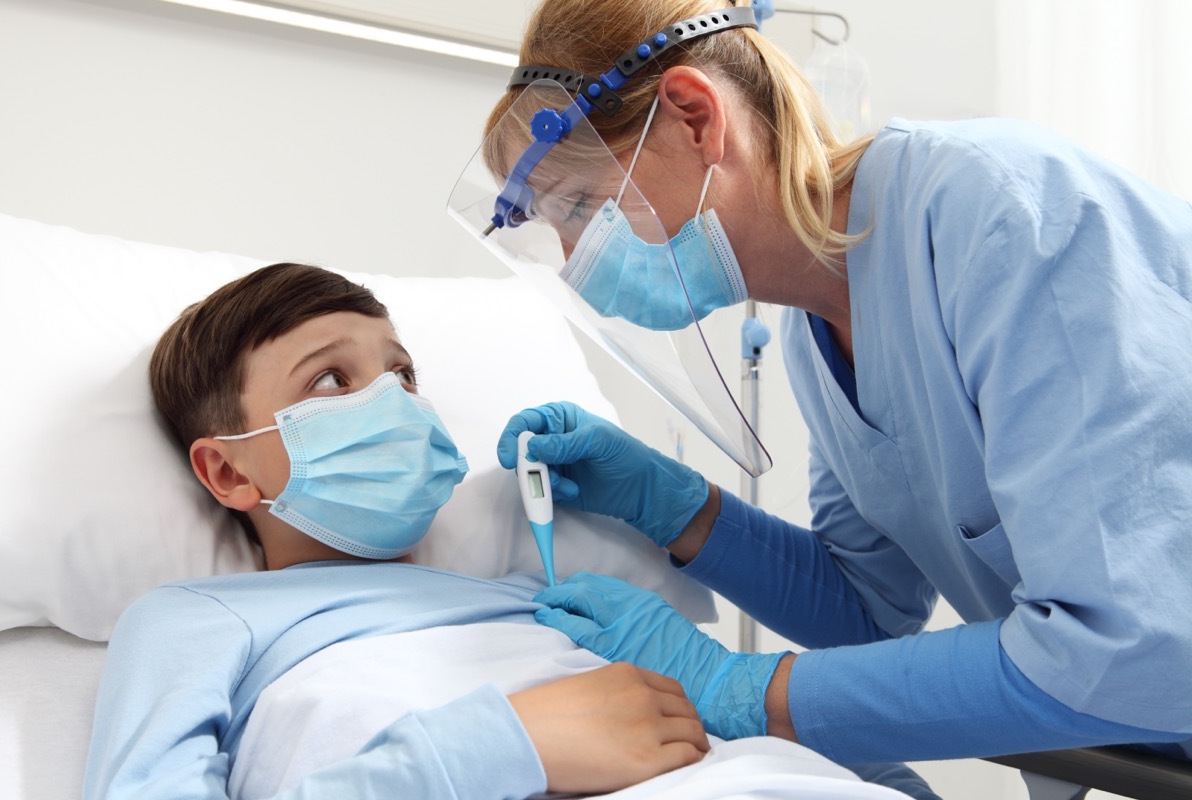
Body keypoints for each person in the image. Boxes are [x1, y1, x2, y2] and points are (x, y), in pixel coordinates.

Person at [470, 0, 1192, 796]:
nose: (574, 258)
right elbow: (866, 609)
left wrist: (743, 690)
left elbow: (1130, 645)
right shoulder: (815, 329)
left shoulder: (997, 216)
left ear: (693, 117)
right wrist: (678, 508)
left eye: (577, 205)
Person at [83, 262, 713, 799]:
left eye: (403, 375)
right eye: (330, 379)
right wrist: (491, 745)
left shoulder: (539, 595)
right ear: (226, 470)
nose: (395, 402)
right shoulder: (197, 618)